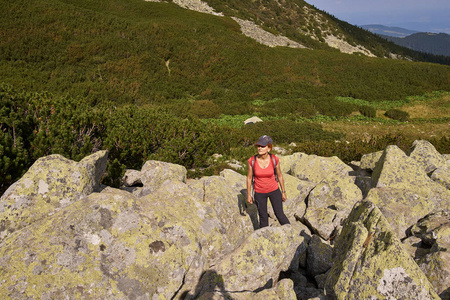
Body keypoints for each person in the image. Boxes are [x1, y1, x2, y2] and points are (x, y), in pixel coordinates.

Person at [246, 135, 290, 228]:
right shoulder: (252, 161)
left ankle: (291, 234)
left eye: (263, 146)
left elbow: (280, 175)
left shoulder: (274, 159)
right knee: (263, 217)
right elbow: (249, 178)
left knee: (280, 214)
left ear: (269, 148)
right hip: (259, 193)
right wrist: (249, 194)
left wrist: (283, 192)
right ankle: (264, 238)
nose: (259, 148)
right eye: (258, 146)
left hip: (274, 190)